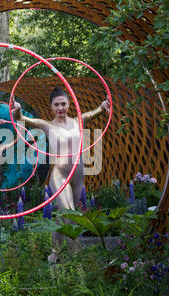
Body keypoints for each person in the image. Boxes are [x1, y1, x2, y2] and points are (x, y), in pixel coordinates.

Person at [11, 86, 110, 263]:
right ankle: (76, 258)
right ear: (51, 107)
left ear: (69, 104)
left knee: (64, 217)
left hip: (78, 176)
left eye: (63, 104)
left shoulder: (79, 121)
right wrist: (17, 110)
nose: (60, 108)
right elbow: (21, 119)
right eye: (56, 105)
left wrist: (103, 106)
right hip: (60, 176)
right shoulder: (46, 125)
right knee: (70, 214)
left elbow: (98, 111)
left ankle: (54, 253)